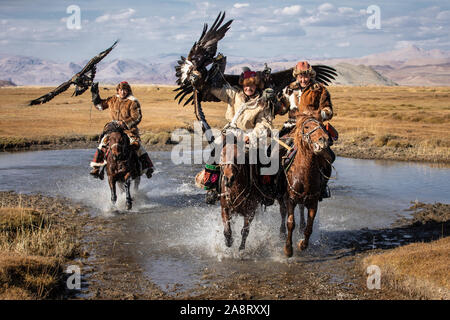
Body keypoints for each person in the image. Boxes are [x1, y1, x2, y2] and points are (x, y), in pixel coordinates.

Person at [196, 69, 278, 204]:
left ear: (256, 85)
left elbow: (263, 124)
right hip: (232, 131)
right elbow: (217, 90)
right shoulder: (234, 94)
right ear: (242, 85)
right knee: (216, 149)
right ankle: (211, 186)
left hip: (250, 135)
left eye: (251, 85)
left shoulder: (263, 103)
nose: (248, 88)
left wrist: (251, 136)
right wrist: (202, 81)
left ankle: (265, 190)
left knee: (263, 159)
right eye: (246, 85)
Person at [280, 61, 338, 199]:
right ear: (296, 76)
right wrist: (275, 104)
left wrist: (318, 115)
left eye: (306, 76)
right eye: (300, 76)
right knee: (275, 152)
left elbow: (328, 110)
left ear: (310, 75)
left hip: (312, 128)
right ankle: (279, 186)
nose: (303, 79)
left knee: (328, 156)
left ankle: (322, 187)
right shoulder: (289, 89)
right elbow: (282, 110)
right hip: (292, 127)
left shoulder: (319, 89)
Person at [89, 81, 154, 179]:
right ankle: (96, 168)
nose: (123, 92)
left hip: (128, 130)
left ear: (128, 90)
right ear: (118, 91)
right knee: (103, 143)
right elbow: (100, 106)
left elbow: (137, 117)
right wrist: (95, 94)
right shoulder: (112, 99)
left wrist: (124, 123)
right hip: (113, 129)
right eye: (121, 90)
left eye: (125, 90)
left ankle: (147, 167)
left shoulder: (132, 102)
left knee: (137, 146)